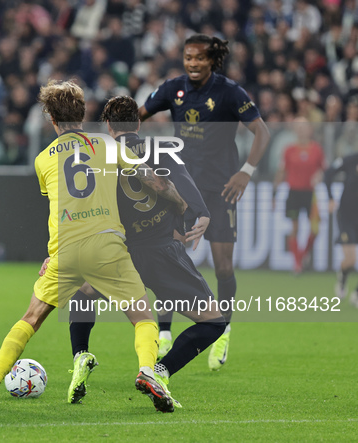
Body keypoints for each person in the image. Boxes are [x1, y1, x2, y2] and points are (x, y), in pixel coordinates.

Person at [0, 80, 188, 412]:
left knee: (30, 318)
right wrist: (179, 203)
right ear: (84, 112)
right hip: (106, 245)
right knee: (143, 316)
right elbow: (154, 181)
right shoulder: (107, 144)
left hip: (66, 251)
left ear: (51, 119)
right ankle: (147, 371)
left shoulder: (43, 160)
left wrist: (52, 253)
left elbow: (60, 206)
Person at [53, 95, 226, 406]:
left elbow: (80, 201)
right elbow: (184, 190)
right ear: (138, 123)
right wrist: (200, 214)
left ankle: (80, 355)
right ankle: (160, 370)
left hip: (117, 251)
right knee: (213, 321)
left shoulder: (99, 152)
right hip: (161, 250)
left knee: (84, 291)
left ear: (107, 125)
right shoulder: (160, 149)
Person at [138, 34, 271, 370]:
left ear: (213, 60)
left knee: (223, 266)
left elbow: (262, 132)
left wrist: (246, 172)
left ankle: (222, 327)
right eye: (188, 57)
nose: (193, 64)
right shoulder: (173, 88)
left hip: (221, 189)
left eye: (199, 58)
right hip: (180, 188)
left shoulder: (230, 92)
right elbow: (138, 114)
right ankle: (165, 332)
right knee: (169, 255)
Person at [272, 118, 326, 274]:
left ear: (310, 129)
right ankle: (297, 264)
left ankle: (303, 255)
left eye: (304, 127)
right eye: (298, 127)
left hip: (311, 194)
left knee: (315, 229)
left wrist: (319, 175)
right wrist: (274, 195)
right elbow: (281, 172)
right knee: (294, 227)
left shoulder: (317, 150)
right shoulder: (289, 150)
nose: (301, 130)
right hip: (294, 193)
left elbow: (324, 170)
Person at [324, 152, 358, 307]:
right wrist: (330, 197)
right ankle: (343, 277)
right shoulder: (351, 159)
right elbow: (329, 173)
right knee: (350, 259)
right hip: (347, 215)